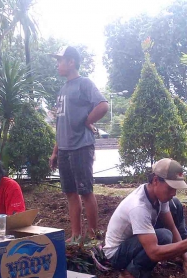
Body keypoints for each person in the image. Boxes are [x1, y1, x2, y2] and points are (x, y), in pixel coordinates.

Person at [103, 158, 187, 278]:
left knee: (167, 231)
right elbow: (153, 253)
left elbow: (171, 226)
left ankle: (137, 265)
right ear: (155, 181)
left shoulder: (158, 196)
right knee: (164, 236)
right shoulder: (138, 207)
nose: (173, 193)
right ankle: (129, 272)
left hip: (131, 243)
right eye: (170, 188)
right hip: (116, 254)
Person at [48, 46, 108, 240]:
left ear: (71, 62)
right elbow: (60, 122)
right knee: (70, 193)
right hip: (64, 149)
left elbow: (103, 105)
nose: (58, 65)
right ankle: (75, 235)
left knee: (86, 192)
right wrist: (55, 151)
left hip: (81, 147)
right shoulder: (62, 89)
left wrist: (87, 120)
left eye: (60, 61)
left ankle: (92, 235)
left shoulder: (85, 83)